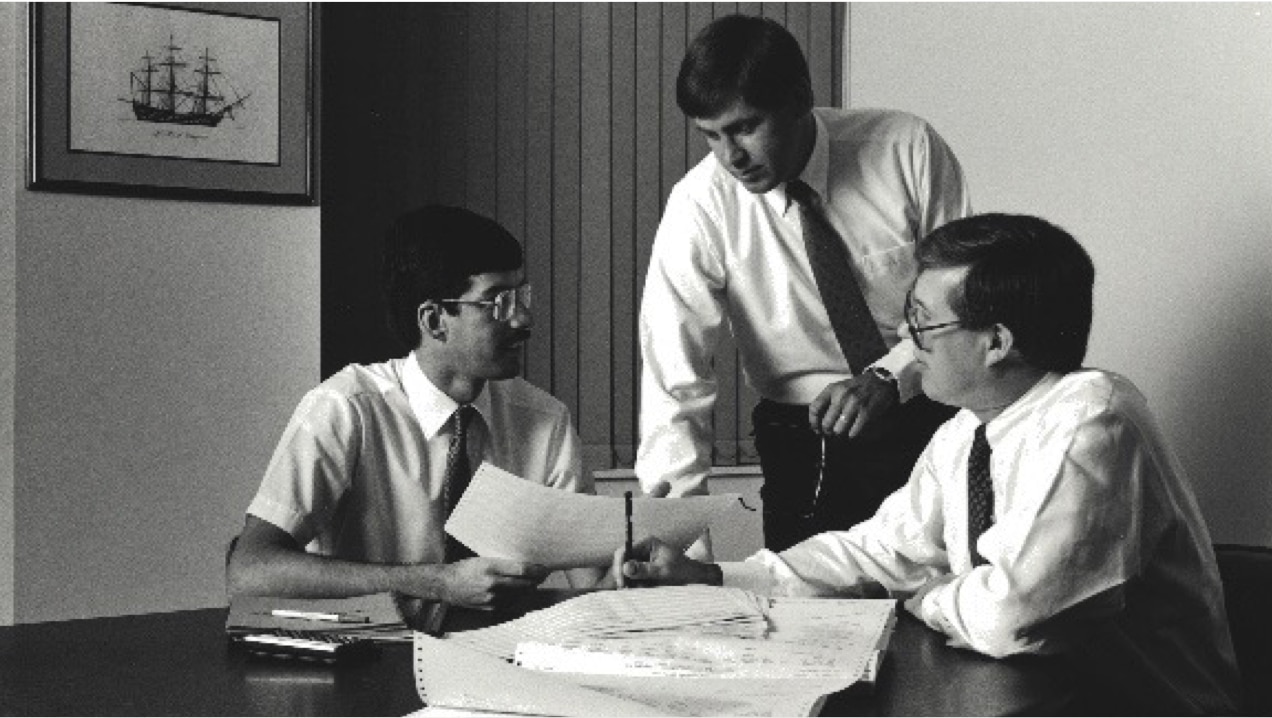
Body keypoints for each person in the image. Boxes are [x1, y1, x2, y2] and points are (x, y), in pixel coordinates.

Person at [619, 213, 1241, 714]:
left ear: (996, 342)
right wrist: (719, 580)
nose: (907, 346)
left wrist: (926, 594)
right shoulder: (970, 425)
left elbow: (1010, 616)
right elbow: (881, 549)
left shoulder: (1093, 423)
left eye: (921, 325)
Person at [637, 14, 972, 551]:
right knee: (807, 612)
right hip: (801, 438)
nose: (731, 158)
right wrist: (677, 544)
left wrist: (891, 378)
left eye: (745, 128)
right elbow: (673, 380)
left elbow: (964, 301)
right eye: (711, 136)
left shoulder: (905, 148)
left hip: (928, 407)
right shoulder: (699, 205)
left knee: (941, 593)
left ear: (800, 99)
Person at [227, 205, 602, 612]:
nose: (523, 318)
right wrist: (435, 583)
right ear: (435, 319)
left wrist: (640, 570)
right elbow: (250, 572)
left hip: (504, 659)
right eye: (497, 302)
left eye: (521, 296)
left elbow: (596, 582)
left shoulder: (546, 420)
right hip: (372, 660)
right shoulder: (345, 410)